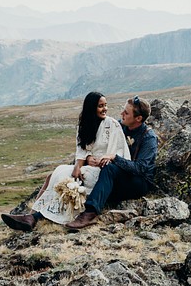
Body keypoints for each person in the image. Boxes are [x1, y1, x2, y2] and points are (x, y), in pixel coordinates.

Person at [1, 91, 130, 231]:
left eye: (105, 105)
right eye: (100, 106)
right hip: (87, 164)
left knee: (72, 181)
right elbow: (81, 149)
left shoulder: (112, 124)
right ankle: (32, 216)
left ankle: (35, 217)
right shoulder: (84, 125)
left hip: (103, 170)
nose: (104, 109)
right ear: (91, 108)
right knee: (59, 172)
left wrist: (104, 160)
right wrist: (81, 164)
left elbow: (118, 150)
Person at [65, 95, 156, 231]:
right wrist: (88, 158)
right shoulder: (118, 126)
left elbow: (141, 169)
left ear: (138, 119)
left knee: (110, 169)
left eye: (126, 113)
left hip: (138, 183)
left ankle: (90, 213)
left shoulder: (149, 138)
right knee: (69, 175)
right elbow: (96, 146)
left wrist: (115, 157)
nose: (121, 114)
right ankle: (37, 215)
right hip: (118, 176)